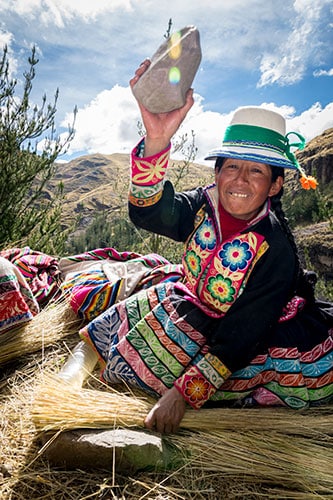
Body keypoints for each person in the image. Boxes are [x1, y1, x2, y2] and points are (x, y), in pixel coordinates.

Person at [79, 59, 333, 434]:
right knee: (115, 326)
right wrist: (157, 141)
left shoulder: (274, 246)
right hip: (192, 303)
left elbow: (241, 334)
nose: (240, 180)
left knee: (154, 373)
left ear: (275, 186)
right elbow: (150, 214)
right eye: (231, 166)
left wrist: (181, 395)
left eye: (257, 171)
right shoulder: (202, 204)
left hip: (248, 335)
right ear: (217, 172)